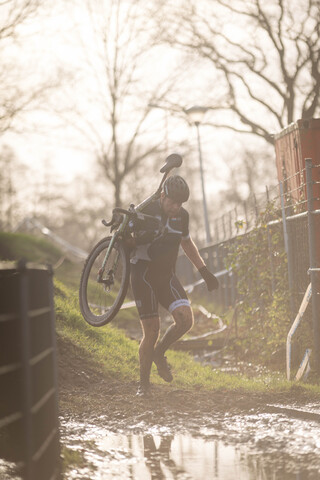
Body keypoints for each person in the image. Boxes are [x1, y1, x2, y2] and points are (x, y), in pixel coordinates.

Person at [130, 174, 219, 396]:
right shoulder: (147, 210)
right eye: (173, 202)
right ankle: (144, 384)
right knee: (152, 331)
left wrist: (204, 270)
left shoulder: (182, 217)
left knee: (185, 320)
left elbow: (186, 242)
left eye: (181, 203)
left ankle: (159, 353)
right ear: (162, 196)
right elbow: (128, 238)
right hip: (143, 274)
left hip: (166, 275)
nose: (176, 207)